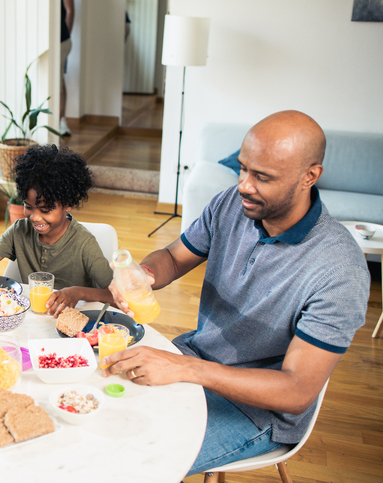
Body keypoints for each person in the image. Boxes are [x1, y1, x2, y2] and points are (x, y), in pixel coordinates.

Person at [101, 111, 370, 475]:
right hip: (195, 357)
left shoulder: (340, 270)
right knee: (99, 421)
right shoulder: (232, 204)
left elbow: (296, 392)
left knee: (131, 464)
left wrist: (186, 367)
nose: (244, 184)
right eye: (243, 168)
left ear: (310, 176)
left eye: (262, 177)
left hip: (257, 410)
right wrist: (144, 274)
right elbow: (173, 258)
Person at [0, 144, 114, 317]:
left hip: (71, 322)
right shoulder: (20, 230)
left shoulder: (84, 243)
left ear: (69, 204)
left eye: (45, 209)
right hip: (28, 319)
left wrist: (78, 292)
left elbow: (115, 295)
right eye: (28, 206)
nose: (34, 217)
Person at [59, 0, 74, 137]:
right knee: (58, 79)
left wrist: (65, 34)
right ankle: (60, 121)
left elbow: (70, 10)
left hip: (61, 40)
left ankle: (60, 121)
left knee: (57, 81)